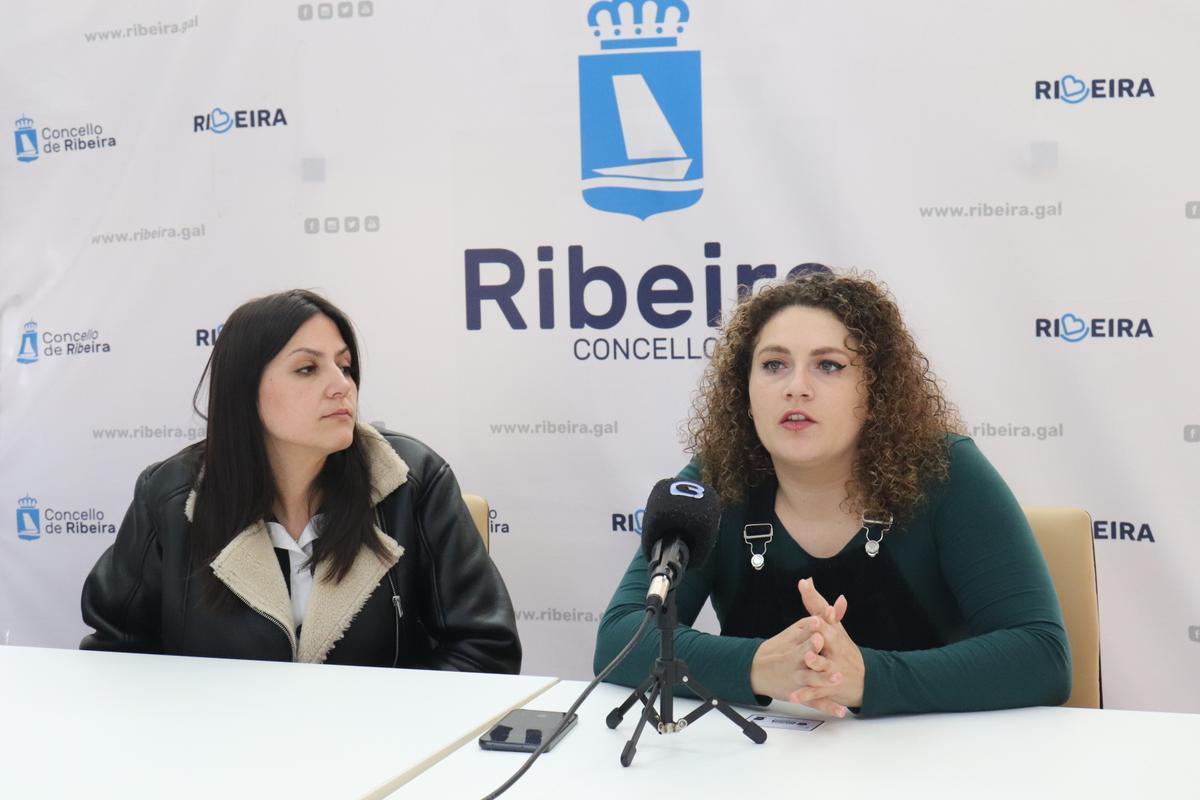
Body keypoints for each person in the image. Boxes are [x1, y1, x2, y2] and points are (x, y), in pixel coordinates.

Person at [594, 272, 1070, 716]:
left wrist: (864, 677)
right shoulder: (719, 476)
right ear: (745, 389)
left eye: (828, 366)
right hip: (766, 765)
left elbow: (1040, 655)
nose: (796, 387)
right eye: (774, 365)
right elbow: (621, 637)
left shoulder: (945, 470)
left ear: (876, 390)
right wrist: (758, 666)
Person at [81, 289, 521, 672]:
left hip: (384, 755)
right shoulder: (170, 497)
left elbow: (485, 650)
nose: (341, 386)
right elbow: (117, 652)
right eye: (307, 369)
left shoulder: (412, 482)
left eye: (345, 367)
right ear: (244, 389)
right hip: (220, 754)